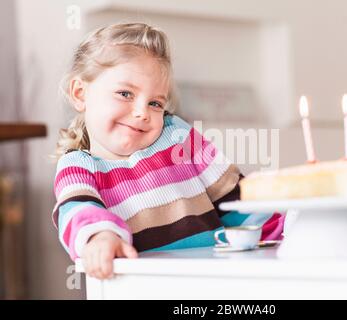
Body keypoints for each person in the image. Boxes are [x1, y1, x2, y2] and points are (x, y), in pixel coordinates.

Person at [52, 22, 284, 280]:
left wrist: (291, 229)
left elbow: (236, 199)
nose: (142, 112)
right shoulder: (77, 167)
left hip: (218, 281)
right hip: (142, 289)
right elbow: (78, 212)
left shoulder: (178, 136)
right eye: (125, 94)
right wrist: (100, 236)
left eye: (154, 103)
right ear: (80, 93)